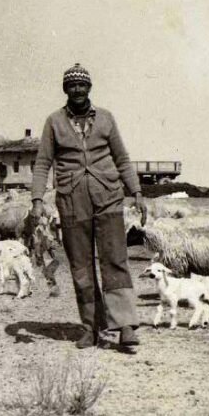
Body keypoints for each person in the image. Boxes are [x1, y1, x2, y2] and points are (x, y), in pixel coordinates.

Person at [31, 63, 148, 349]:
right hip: (71, 202)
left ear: (89, 88)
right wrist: (36, 199)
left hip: (108, 197)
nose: (77, 90)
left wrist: (136, 191)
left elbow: (122, 158)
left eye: (82, 85)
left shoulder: (106, 118)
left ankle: (125, 326)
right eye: (72, 85)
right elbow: (43, 162)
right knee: (81, 267)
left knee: (115, 260)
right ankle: (89, 327)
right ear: (65, 89)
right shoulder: (54, 122)